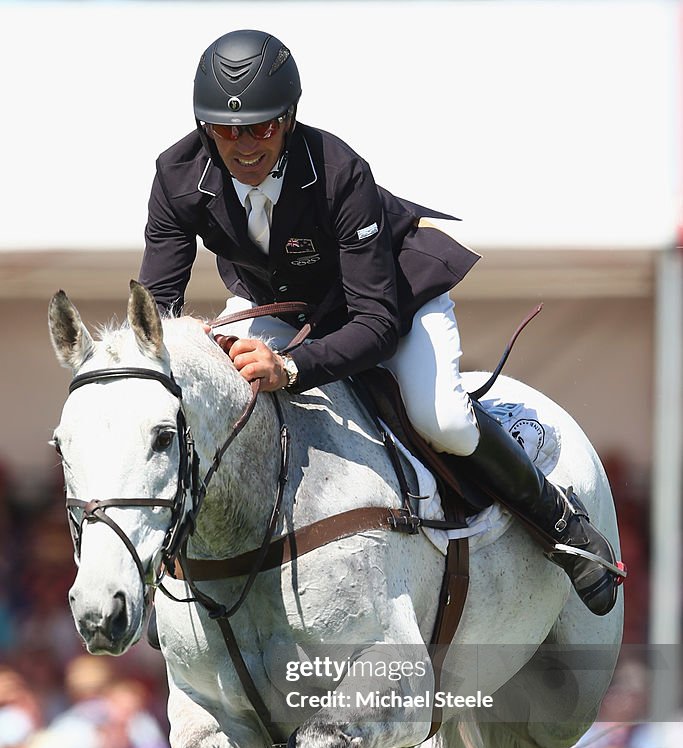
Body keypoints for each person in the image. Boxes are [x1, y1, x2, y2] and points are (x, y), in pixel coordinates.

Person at [139, 29, 623, 615]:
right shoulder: (176, 173)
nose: (242, 146)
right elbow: (158, 308)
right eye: (225, 130)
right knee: (219, 403)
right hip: (282, 307)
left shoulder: (340, 171)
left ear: (289, 119)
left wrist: (290, 368)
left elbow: (373, 323)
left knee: (440, 418)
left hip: (390, 300)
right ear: (204, 127)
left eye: (260, 128)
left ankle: (561, 524)